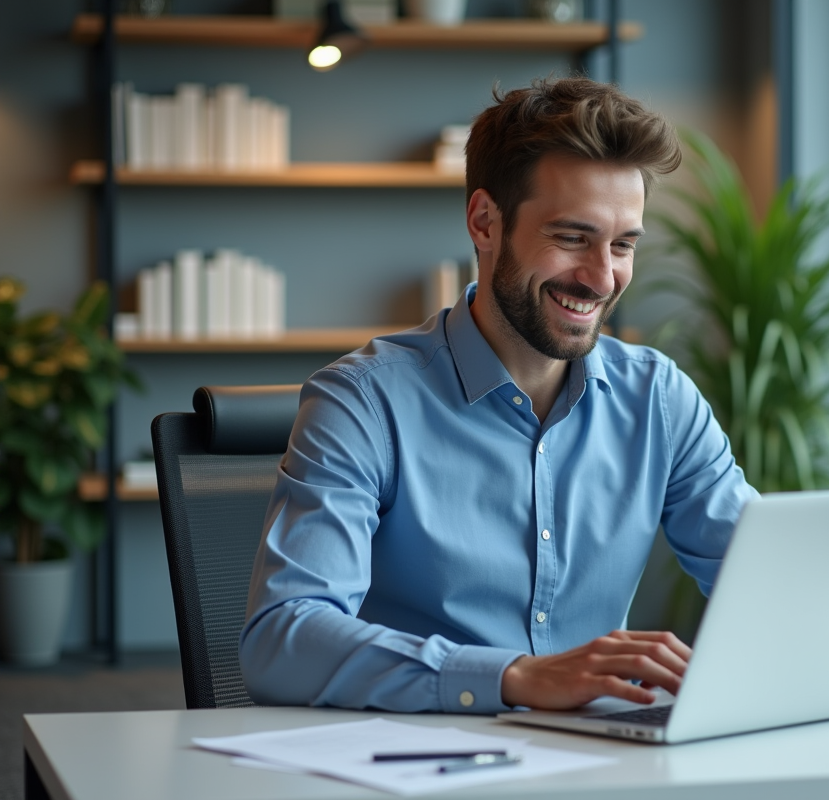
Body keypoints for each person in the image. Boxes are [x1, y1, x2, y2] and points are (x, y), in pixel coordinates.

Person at [239, 77, 758, 714]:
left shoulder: (660, 399)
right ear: (485, 222)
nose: (602, 278)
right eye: (572, 238)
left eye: (623, 244)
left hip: (602, 768)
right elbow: (282, 638)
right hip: (418, 767)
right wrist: (513, 676)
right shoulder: (362, 402)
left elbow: (766, 578)